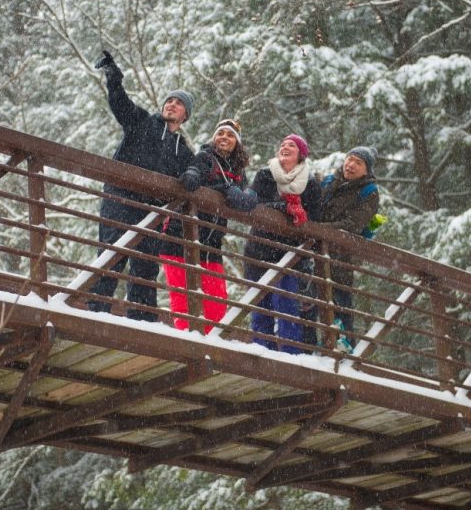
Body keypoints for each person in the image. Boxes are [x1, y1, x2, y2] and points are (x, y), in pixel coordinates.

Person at [86, 50, 194, 322]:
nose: (171, 104)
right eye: (169, 100)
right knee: (112, 256)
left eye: (178, 103)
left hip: (153, 211)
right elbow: (121, 104)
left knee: (146, 267)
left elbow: (200, 170)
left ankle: (142, 323)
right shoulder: (143, 122)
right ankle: (95, 316)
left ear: (185, 116)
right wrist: (114, 76)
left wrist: (193, 171)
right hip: (120, 200)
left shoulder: (181, 148)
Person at [159, 118, 258, 333]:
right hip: (180, 235)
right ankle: (186, 342)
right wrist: (196, 177)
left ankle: (211, 346)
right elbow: (195, 171)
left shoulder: (239, 171)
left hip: (211, 244)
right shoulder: (205, 157)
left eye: (230, 135)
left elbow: (246, 199)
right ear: (214, 138)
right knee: (183, 297)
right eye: (220, 133)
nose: (224, 137)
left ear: (237, 143)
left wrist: (240, 194)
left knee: (217, 302)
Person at [243, 134, 321, 354]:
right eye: (283, 144)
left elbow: (314, 218)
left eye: (292, 146)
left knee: (287, 309)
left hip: (290, 255)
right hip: (258, 251)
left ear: (301, 155)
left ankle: (289, 357)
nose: (285, 147)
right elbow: (255, 205)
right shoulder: (265, 175)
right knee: (260, 309)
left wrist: (298, 213)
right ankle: (261, 354)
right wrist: (284, 209)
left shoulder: (311, 185)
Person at [313, 146, 380, 352]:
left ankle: (345, 347)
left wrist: (320, 229)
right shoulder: (328, 181)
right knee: (313, 297)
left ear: (366, 171)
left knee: (340, 300)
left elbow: (353, 224)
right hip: (315, 249)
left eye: (358, 163)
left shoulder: (369, 191)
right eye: (349, 159)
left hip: (342, 255)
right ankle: (317, 345)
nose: (351, 165)